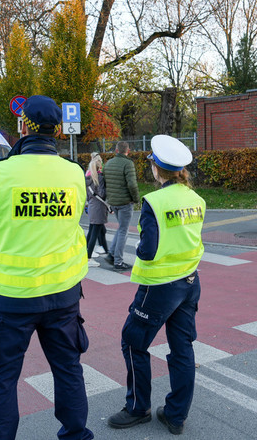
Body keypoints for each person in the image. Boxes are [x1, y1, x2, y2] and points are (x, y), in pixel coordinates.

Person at [0, 95, 94, 440]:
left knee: (2, 378)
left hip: (12, 298)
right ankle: (76, 435)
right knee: (69, 370)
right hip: (63, 295)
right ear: (57, 130)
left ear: (23, 126)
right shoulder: (74, 173)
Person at [107, 135, 205, 436]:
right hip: (190, 281)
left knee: (133, 342)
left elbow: (148, 250)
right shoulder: (196, 199)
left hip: (159, 287)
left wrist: (138, 251)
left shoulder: (155, 202)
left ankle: (138, 408)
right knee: (181, 348)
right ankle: (176, 415)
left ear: (156, 169)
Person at [103, 141, 139, 271]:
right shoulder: (128, 163)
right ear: (127, 151)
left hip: (113, 201)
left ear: (116, 150)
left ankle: (112, 254)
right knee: (124, 230)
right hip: (125, 202)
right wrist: (136, 199)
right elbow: (132, 184)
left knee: (121, 228)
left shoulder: (108, 163)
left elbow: (105, 183)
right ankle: (118, 261)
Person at [85, 152, 109, 267]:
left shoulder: (88, 178)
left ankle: (86, 253)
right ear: (100, 167)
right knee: (94, 233)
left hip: (92, 206)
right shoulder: (99, 178)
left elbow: (88, 195)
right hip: (99, 208)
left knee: (92, 230)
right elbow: (102, 194)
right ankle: (88, 258)